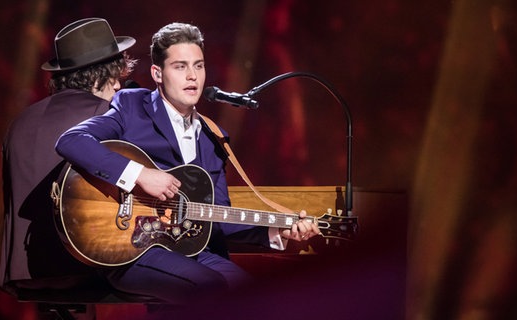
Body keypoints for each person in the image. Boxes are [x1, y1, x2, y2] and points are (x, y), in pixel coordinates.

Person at [55, 22, 320, 304]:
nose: (192, 76)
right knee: (209, 285)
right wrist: (139, 174)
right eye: (180, 67)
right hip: (133, 249)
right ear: (158, 73)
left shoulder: (213, 138)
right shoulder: (132, 106)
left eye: (199, 66)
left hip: (192, 251)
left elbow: (220, 218)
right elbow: (72, 141)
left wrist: (278, 229)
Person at [0, 18, 137, 294]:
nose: (119, 87)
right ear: (104, 74)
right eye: (116, 77)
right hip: (84, 267)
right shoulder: (106, 116)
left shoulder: (21, 120)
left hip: (22, 272)